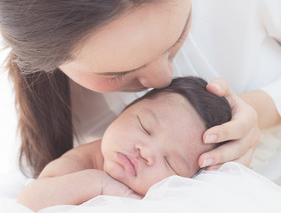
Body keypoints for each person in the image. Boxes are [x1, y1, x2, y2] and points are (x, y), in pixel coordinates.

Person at [0, 0, 281, 212]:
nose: (162, 78)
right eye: (120, 73)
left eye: (178, 36)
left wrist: (255, 111)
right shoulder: (63, 108)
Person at [17, 76, 232, 212]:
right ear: (123, 112)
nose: (145, 151)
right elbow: (28, 200)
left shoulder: (164, 198)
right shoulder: (78, 163)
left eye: (170, 162)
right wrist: (99, 183)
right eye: (145, 127)